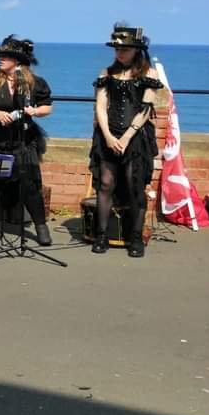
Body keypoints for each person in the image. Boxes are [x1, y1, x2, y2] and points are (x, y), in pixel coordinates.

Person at [0, 36, 53, 245]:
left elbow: (47, 106)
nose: (1, 59)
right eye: (0, 56)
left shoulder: (35, 82)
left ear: (18, 60)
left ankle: (41, 228)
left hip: (23, 138)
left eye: (6, 56)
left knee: (29, 184)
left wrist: (35, 111)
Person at [89, 24, 162, 258]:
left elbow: (145, 110)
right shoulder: (106, 73)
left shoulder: (149, 74)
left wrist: (127, 136)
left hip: (136, 136)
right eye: (117, 50)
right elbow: (100, 106)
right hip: (108, 134)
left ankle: (136, 237)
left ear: (136, 50)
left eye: (125, 49)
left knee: (134, 186)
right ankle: (101, 235)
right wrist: (109, 136)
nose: (120, 54)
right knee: (106, 184)